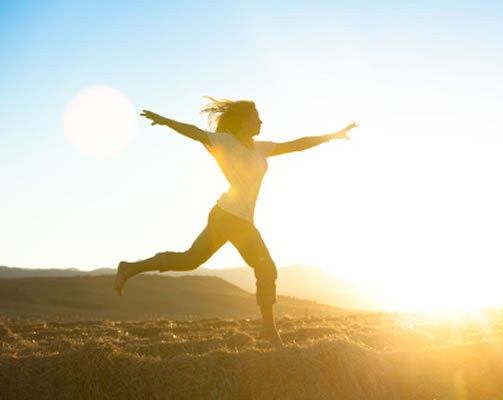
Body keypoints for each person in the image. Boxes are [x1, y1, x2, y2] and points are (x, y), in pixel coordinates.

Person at [115, 96, 357, 347]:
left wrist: (332, 136)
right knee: (266, 268)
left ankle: (130, 268)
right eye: (256, 117)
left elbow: (296, 145)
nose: (261, 121)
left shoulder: (260, 148)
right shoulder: (225, 142)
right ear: (244, 121)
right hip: (231, 217)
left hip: (229, 216)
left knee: (189, 260)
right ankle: (269, 331)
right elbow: (194, 132)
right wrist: (166, 121)